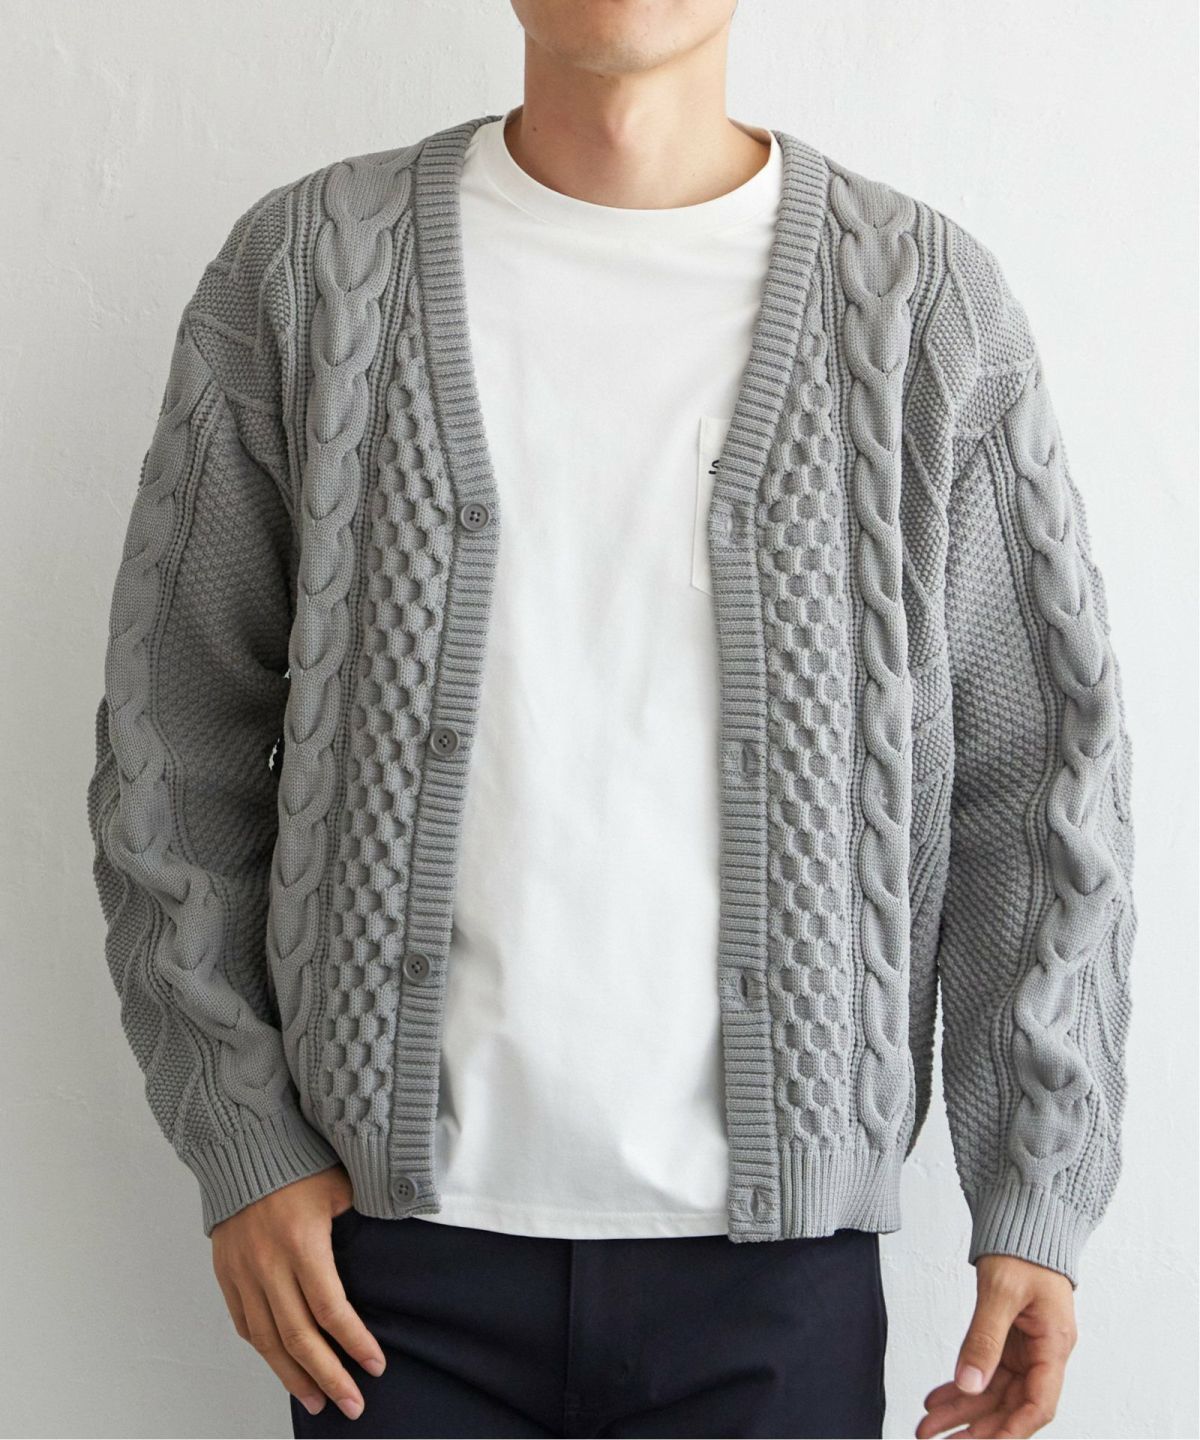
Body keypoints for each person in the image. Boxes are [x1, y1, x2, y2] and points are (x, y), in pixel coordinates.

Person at [84, 2, 1137, 1437]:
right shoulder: (309, 272)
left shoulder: (922, 303)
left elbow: (1038, 782)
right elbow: (173, 743)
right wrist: (243, 1143)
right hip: (382, 1278)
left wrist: (1037, 1192)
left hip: (778, 1275)